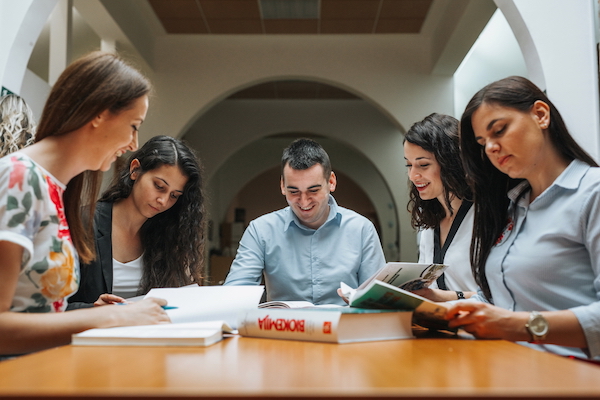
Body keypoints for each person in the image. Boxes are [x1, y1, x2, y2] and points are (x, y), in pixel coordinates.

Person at [0, 51, 170, 356]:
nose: (134, 143)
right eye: (133, 125)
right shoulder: (19, 178)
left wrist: (92, 314)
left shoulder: (54, 188)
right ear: (99, 114)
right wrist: (110, 317)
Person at [446, 76, 600, 360]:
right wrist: (432, 309)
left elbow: (510, 320)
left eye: (500, 130)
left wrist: (521, 326)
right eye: (482, 142)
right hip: (513, 367)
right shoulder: (512, 206)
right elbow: (500, 300)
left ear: (540, 115)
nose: (490, 148)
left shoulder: (592, 194)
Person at [224, 138, 385, 306]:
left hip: (345, 328)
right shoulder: (261, 231)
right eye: (294, 191)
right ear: (282, 186)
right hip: (284, 329)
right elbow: (234, 295)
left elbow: (378, 301)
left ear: (331, 182)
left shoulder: (361, 230)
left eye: (313, 190)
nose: (304, 201)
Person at [67, 135, 206, 309]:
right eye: (159, 186)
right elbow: (50, 308)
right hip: (90, 333)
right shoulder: (82, 223)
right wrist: (94, 310)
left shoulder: (168, 236)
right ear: (135, 170)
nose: (163, 201)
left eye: (174, 196)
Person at [403, 113, 478, 301]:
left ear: (451, 163)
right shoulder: (430, 221)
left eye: (423, 165)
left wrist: (444, 297)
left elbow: (501, 296)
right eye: (409, 165)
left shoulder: (483, 217)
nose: (412, 175)